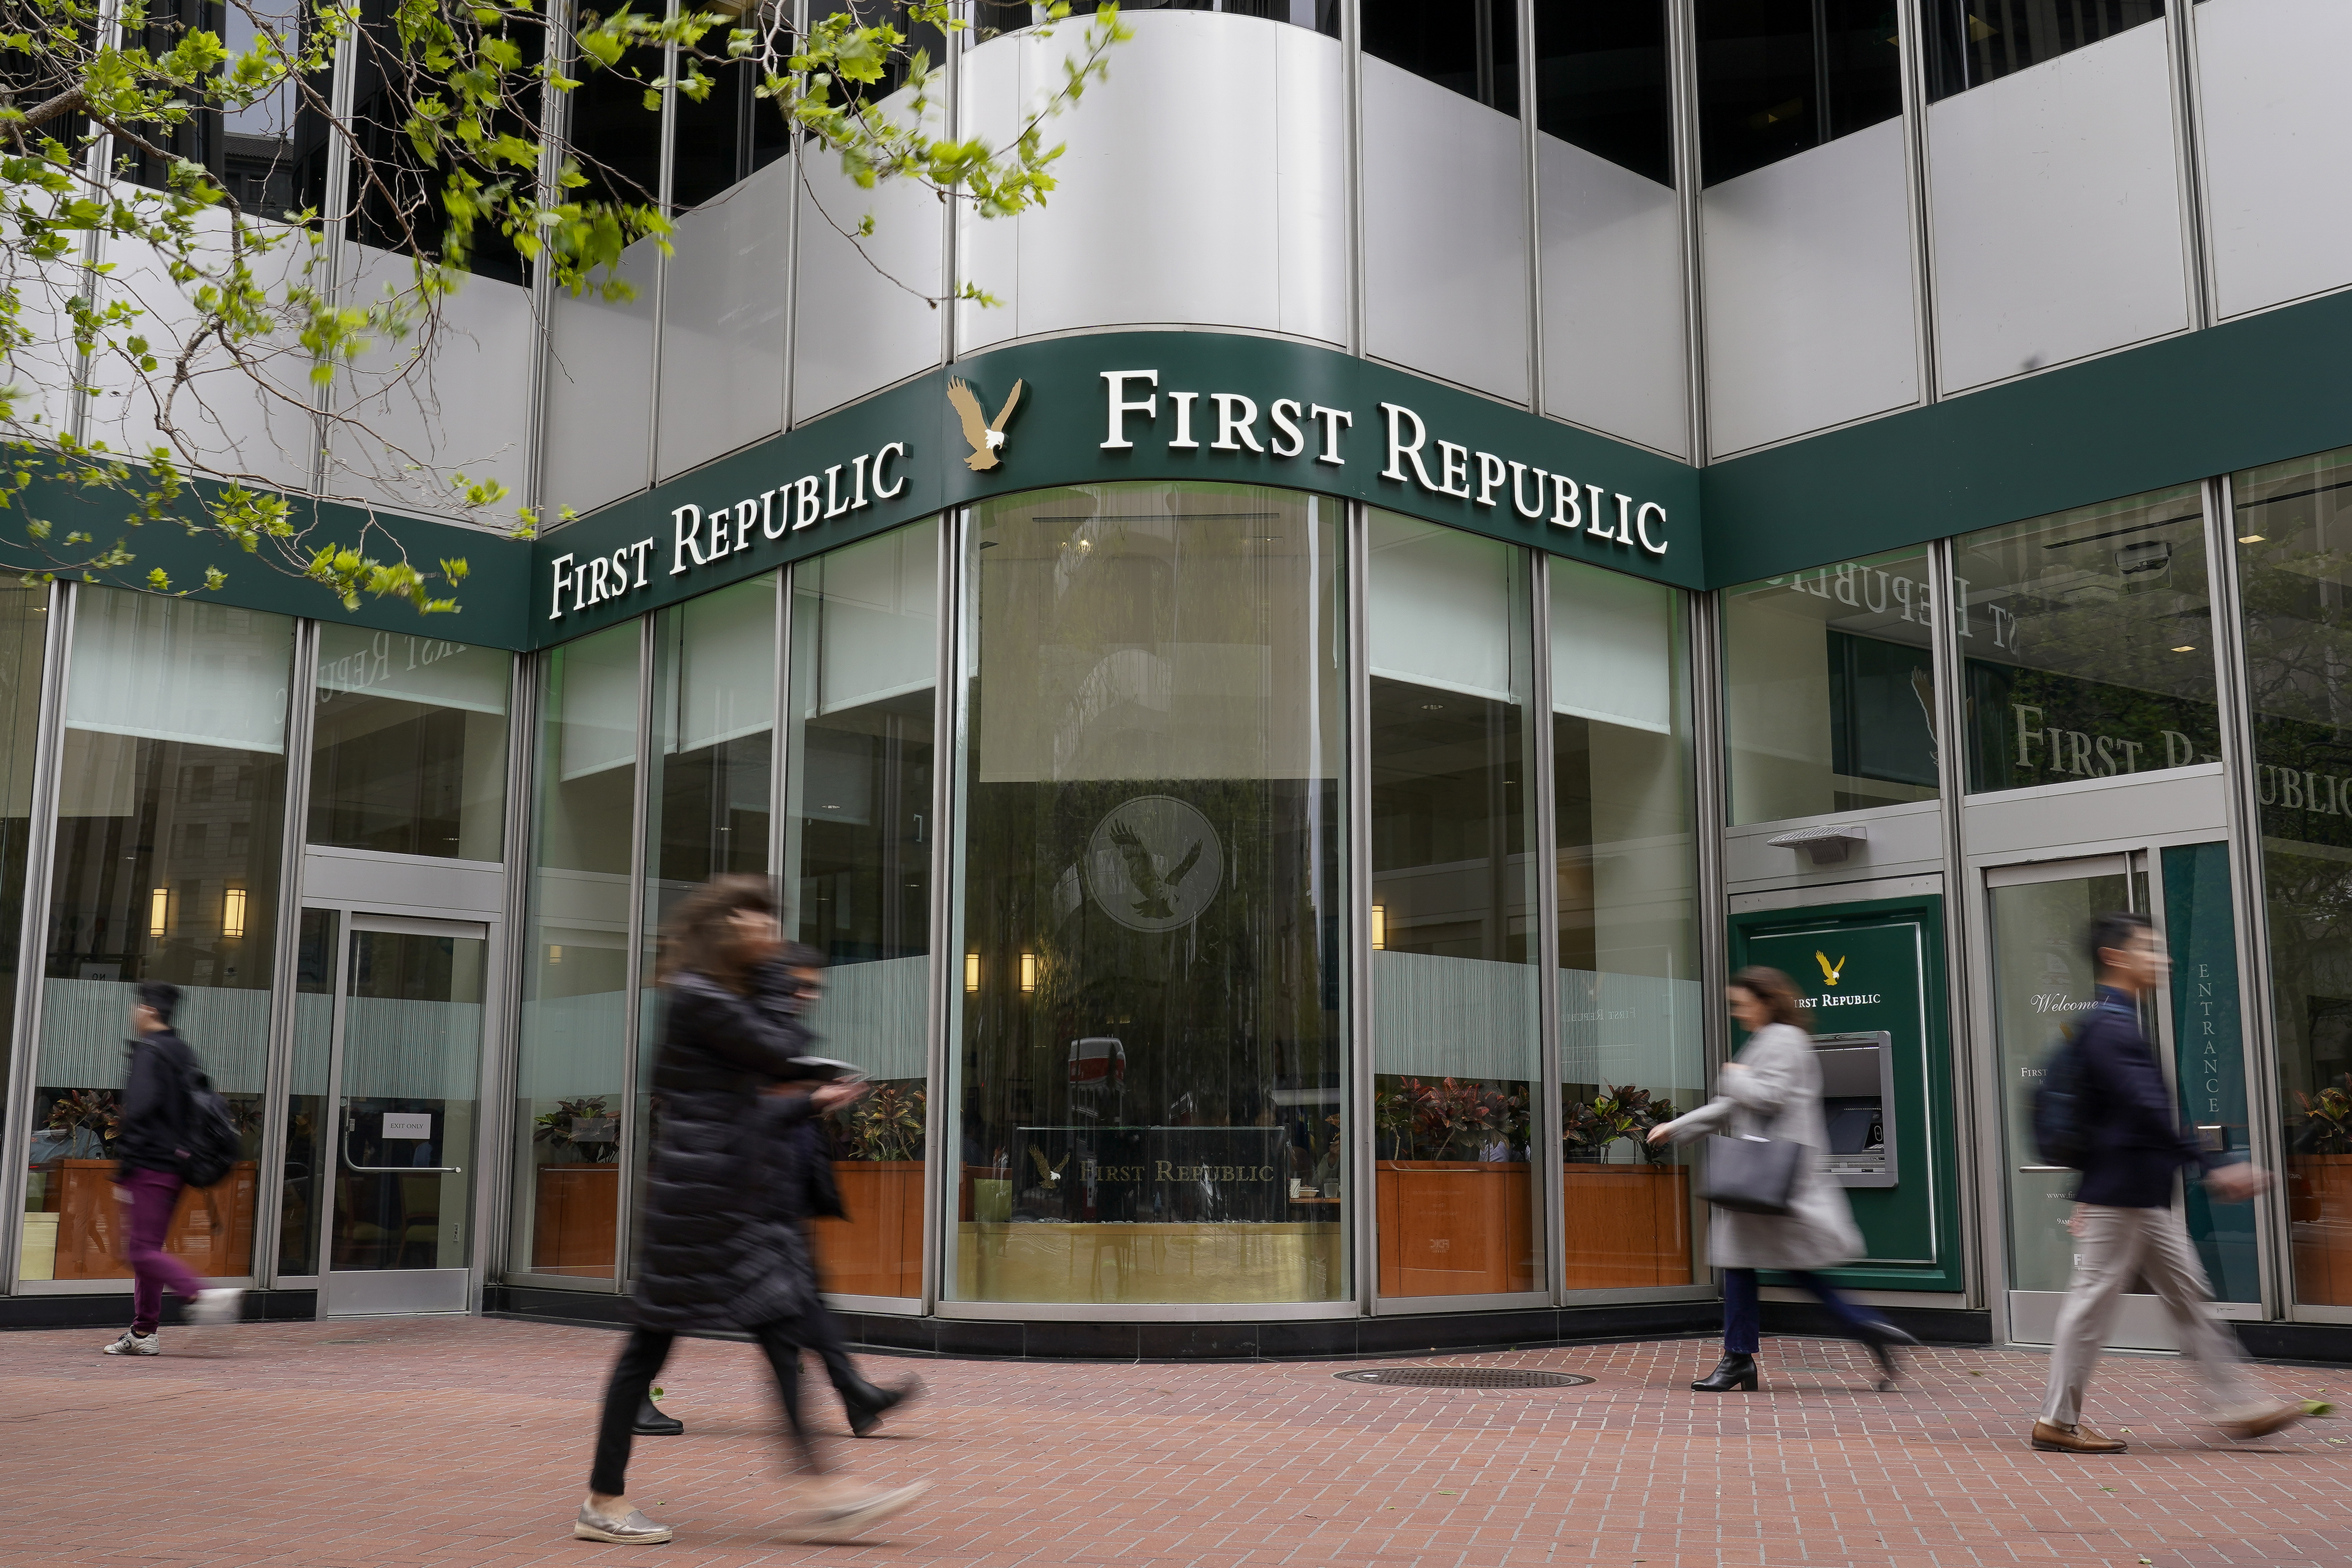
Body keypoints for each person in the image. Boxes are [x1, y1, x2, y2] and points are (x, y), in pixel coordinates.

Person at [574, 877, 927, 1546]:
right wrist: (813, 1062)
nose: (768, 934)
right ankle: (603, 1500)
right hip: (698, 1209)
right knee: (648, 1354)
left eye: (770, 921)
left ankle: (826, 1491)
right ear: (725, 927)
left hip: (722, 1204)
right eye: (756, 921)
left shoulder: (716, 997)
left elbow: (753, 1099)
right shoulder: (700, 997)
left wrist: (812, 1098)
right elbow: (778, 1053)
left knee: (779, 1336)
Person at [2030, 911, 2309, 1453]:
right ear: (2115, 957)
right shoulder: (2111, 1028)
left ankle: (2237, 1404)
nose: (2163, 958)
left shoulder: (2113, 1022)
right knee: (2091, 1305)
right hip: (2122, 1193)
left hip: (2135, 1192)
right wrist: (2210, 1166)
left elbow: (2117, 1113)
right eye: (2149, 949)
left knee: (2186, 1296)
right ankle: (2056, 1420)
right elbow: (2143, 1109)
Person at [1649, 965, 1917, 1392]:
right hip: (1772, 1177)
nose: (1738, 1013)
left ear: (1767, 1001)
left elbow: (1764, 1097)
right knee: (1774, 1267)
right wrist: (1678, 1127)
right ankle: (1863, 1330)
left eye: (1742, 1004)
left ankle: (1745, 1357)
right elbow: (1730, 1105)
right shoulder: (1773, 1040)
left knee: (1748, 1263)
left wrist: (1734, 1077)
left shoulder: (1783, 1042)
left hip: (1772, 1177)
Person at [770, 950, 924, 1439]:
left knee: (800, 1297)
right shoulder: (747, 1030)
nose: (808, 995)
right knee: (679, 1304)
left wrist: (816, 1097)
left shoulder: (787, 1032)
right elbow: (747, 1105)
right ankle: (848, 1401)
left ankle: (852, 1397)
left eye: (813, 987)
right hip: (751, 1187)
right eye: (798, 985)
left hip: (782, 1184)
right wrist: (811, 1097)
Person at [102, 982, 242, 1355]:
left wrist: (125, 1166)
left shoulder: (150, 1052)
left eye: (137, 1006)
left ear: (149, 1010)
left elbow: (142, 1111)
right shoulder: (182, 1052)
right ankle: (144, 1332)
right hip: (177, 1165)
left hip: (150, 1164)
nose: (133, 1013)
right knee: (148, 1249)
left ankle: (201, 1294)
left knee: (142, 1251)